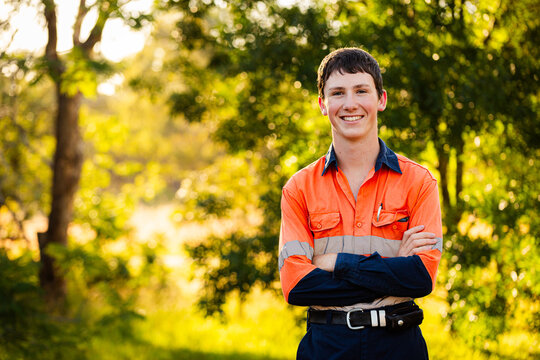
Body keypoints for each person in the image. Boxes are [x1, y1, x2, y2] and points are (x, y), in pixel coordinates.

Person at [278, 47, 443, 360]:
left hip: (399, 345)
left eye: (361, 90)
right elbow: (298, 287)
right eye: (338, 92)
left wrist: (335, 262)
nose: (350, 104)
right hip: (326, 345)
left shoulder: (419, 182)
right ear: (322, 105)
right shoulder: (299, 188)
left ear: (381, 99)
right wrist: (394, 270)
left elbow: (420, 278)